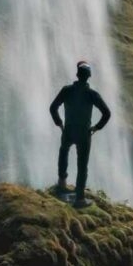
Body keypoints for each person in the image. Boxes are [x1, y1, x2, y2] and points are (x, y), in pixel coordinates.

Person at [48, 61, 111, 208]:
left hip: (68, 130)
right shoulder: (92, 94)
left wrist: (59, 123)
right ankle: (80, 199)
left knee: (63, 152)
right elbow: (107, 113)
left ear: (77, 74)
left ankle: (62, 183)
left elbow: (52, 108)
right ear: (89, 77)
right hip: (84, 133)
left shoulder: (67, 90)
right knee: (82, 165)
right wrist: (96, 127)